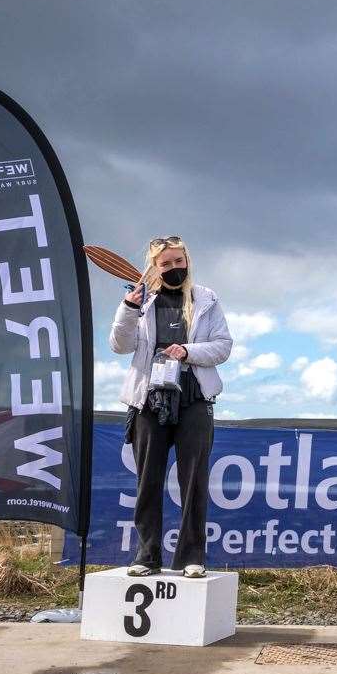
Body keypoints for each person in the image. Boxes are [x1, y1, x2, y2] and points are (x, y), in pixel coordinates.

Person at [110, 236, 233, 577]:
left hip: (193, 395)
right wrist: (128, 308)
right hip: (148, 398)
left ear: (187, 261)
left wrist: (188, 352)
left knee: (193, 479)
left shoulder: (206, 298)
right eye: (166, 264)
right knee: (148, 480)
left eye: (179, 261)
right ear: (154, 267)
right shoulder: (141, 300)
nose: (174, 268)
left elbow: (223, 347)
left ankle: (191, 558)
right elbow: (119, 345)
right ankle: (146, 556)